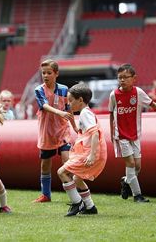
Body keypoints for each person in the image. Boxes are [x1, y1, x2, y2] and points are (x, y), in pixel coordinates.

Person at [109, 64, 156, 203]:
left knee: (137, 166)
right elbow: (111, 114)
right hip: (121, 136)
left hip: (135, 135)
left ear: (134, 78)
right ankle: (138, 196)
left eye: (125, 77)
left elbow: (153, 104)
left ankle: (125, 181)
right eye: (120, 78)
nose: (122, 80)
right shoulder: (114, 95)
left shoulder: (138, 93)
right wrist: (113, 134)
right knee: (130, 163)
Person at [57, 83, 107, 216]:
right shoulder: (85, 113)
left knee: (62, 172)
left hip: (90, 153)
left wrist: (91, 155)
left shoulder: (86, 114)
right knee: (77, 178)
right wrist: (72, 120)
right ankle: (90, 207)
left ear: (80, 100)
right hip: (92, 152)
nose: (69, 103)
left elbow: (95, 133)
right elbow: (80, 131)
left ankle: (77, 203)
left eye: (71, 100)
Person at [33, 59, 76, 203]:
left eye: (49, 73)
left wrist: (74, 126)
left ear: (56, 74)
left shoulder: (64, 90)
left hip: (63, 131)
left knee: (67, 161)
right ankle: (46, 195)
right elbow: (44, 106)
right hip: (47, 133)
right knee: (45, 165)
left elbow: (68, 109)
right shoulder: (39, 90)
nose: (45, 75)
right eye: (43, 73)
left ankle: (74, 196)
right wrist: (60, 113)